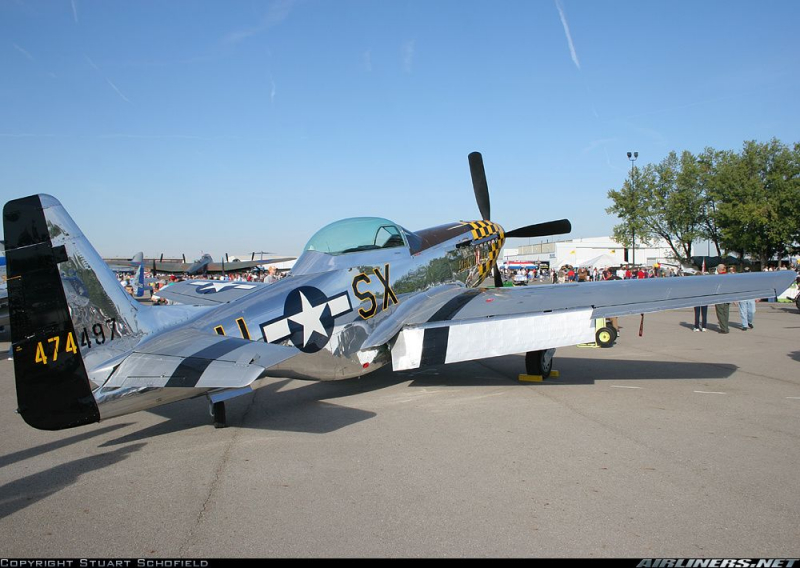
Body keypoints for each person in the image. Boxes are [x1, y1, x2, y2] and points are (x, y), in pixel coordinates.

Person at [714, 264, 730, 333]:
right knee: (726, 313)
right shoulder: (728, 277)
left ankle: (724, 328)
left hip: (719, 297)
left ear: (718, 270)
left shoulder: (717, 278)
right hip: (727, 297)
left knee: (720, 313)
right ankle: (726, 326)